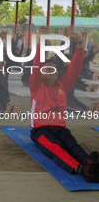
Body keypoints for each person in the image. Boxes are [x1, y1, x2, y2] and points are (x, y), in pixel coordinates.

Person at [29, 27, 99, 182]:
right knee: (57, 149)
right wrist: (42, 39)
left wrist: (80, 44)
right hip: (40, 131)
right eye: (47, 69)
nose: (51, 70)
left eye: (53, 68)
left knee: (74, 146)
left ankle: (92, 165)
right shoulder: (36, 86)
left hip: (60, 128)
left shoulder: (63, 86)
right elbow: (37, 63)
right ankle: (81, 170)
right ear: (42, 73)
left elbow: (74, 69)